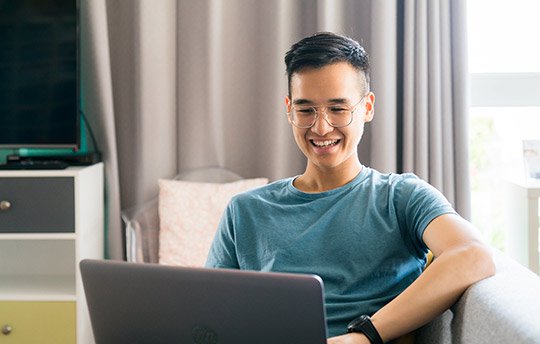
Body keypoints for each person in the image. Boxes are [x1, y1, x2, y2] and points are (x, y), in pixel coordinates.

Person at [206, 32, 495, 343]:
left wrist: (365, 335)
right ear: (289, 110)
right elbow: (207, 317)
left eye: (338, 109)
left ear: (367, 107)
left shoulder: (401, 197)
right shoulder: (245, 211)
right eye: (306, 110)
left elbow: (473, 255)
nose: (321, 127)